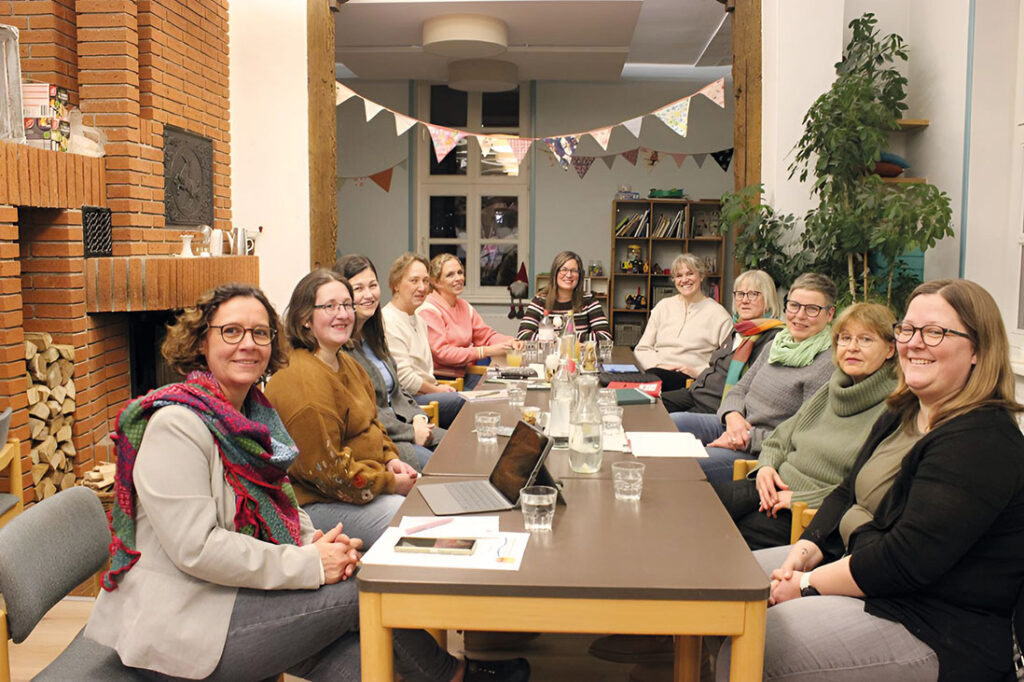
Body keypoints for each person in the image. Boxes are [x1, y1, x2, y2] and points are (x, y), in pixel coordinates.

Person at [84, 282, 529, 682]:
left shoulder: (252, 415)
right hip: (186, 622)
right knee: (363, 591)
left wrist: (318, 541)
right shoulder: (176, 426)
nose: (248, 344)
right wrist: (313, 563)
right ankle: (456, 676)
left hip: (235, 595)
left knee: (365, 659)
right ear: (202, 342)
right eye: (231, 332)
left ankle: (450, 675)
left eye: (260, 333)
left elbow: (281, 503)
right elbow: (197, 549)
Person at [716, 279, 1024, 682]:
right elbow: (847, 487)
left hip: (931, 622)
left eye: (935, 332)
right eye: (908, 329)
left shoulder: (982, 439)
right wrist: (806, 549)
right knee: (725, 589)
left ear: (978, 351)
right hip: (855, 565)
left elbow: (905, 560)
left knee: (754, 647)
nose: (914, 343)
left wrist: (807, 584)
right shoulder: (905, 409)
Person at [713, 302, 898, 549]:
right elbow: (781, 436)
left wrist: (800, 499)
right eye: (845, 339)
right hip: (773, 486)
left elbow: (863, 491)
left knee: (724, 541)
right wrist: (766, 466)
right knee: (702, 509)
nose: (852, 347)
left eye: (865, 339)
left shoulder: (893, 409)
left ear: (890, 349)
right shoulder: (834, 386)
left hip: (808, 511)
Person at [265, 269, 413, 548]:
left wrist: (390, 458)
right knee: (405, 522)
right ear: (305, 318)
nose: (343, 314)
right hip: (315, 502)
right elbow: (330, 475)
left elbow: (374, 425)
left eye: (346, 305)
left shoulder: (346, 363)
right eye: (330, 306)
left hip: (361, 484)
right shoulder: (303, 383)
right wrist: (391, 483)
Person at [672, 272, 837, 484]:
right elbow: (739, 389)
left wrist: (744, 439)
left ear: (830, 314)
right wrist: (732, 417)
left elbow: (801, 434)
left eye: (812, 309)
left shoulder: (827, 362)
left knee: (682, 463)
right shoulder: (776, 345)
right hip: (735, 424)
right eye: (794, 305)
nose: (799, 315)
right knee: (670, 423)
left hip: (761, 449)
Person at [335, 254, 441, 470]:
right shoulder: (340, 348)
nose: (369, 295)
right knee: (440, 468)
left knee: (461, 445)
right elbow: (367, 411)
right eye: (358, 288)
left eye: (372, 286)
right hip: (383, 437)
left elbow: (398, 389)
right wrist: (411, 432)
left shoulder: (373, 335)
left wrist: (418, 417)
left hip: (405, 422)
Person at [661, 269, 784, 413]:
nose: (744, 300)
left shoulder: (772, 337)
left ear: (768, 299)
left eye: (753, 294)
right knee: (650, 405)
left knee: (668, 421)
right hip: (695, 392)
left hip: (717, 407)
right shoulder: (738, 329)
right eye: (740, 294)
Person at [382, 253, 465, 428]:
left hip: (427, 391)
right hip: (408, 401)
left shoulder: (419, 319)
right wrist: (438, 390)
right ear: (396, 284)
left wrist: (439, 389)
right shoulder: (388, 320)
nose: (422, 288)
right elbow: (404, 380)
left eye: (426, 281)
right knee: (466, 404)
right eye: (414, 281)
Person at [417, 253, 523, 390]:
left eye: (460, 273)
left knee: (508, 390)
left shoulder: (465, 307)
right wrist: (485, 351)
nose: (458, 278)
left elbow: (486, 336)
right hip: (441, 382)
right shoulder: (428, 309)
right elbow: (443, 353)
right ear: (436, 281)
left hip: (465, 377)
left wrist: (511, 341)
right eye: (450, 275)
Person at [633, 253, 733, 392]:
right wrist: (658, 364)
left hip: (691, 379)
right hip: (657, 372)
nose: (684, 280)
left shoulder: (719, 314)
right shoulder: (663, 306)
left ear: (701, 276)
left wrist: (698, 371)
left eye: (690, 274)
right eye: (679, 276)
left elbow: (728, 361)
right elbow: (642, 348)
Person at [515, 250, 611, 341]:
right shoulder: (540, 301)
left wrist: (567, 336)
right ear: (555, 273)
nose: (569, 275)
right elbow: (523, 335)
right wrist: (554, 338)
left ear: (580, 275)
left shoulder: (589, 301)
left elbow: (605, 337)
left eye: (574, 270)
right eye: (563, 270)